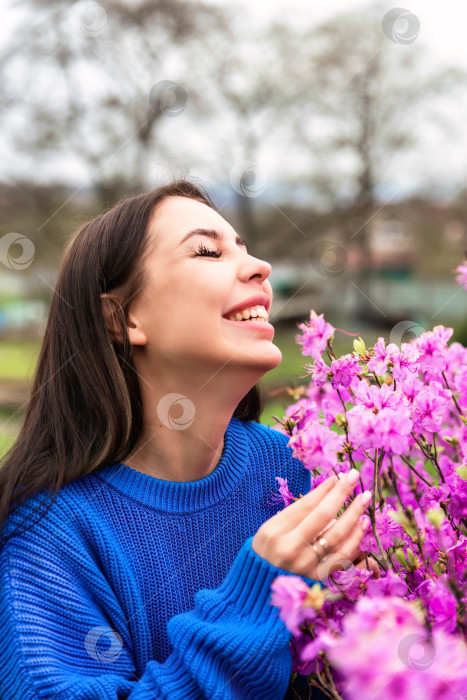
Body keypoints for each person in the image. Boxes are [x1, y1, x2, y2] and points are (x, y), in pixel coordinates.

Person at [0, 180, 375, 699]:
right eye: (207, 251)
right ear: (122, 318)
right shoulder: (50, 538)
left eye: (244, 248)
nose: (259, 266)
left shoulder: (292, 469)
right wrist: (253, 607)